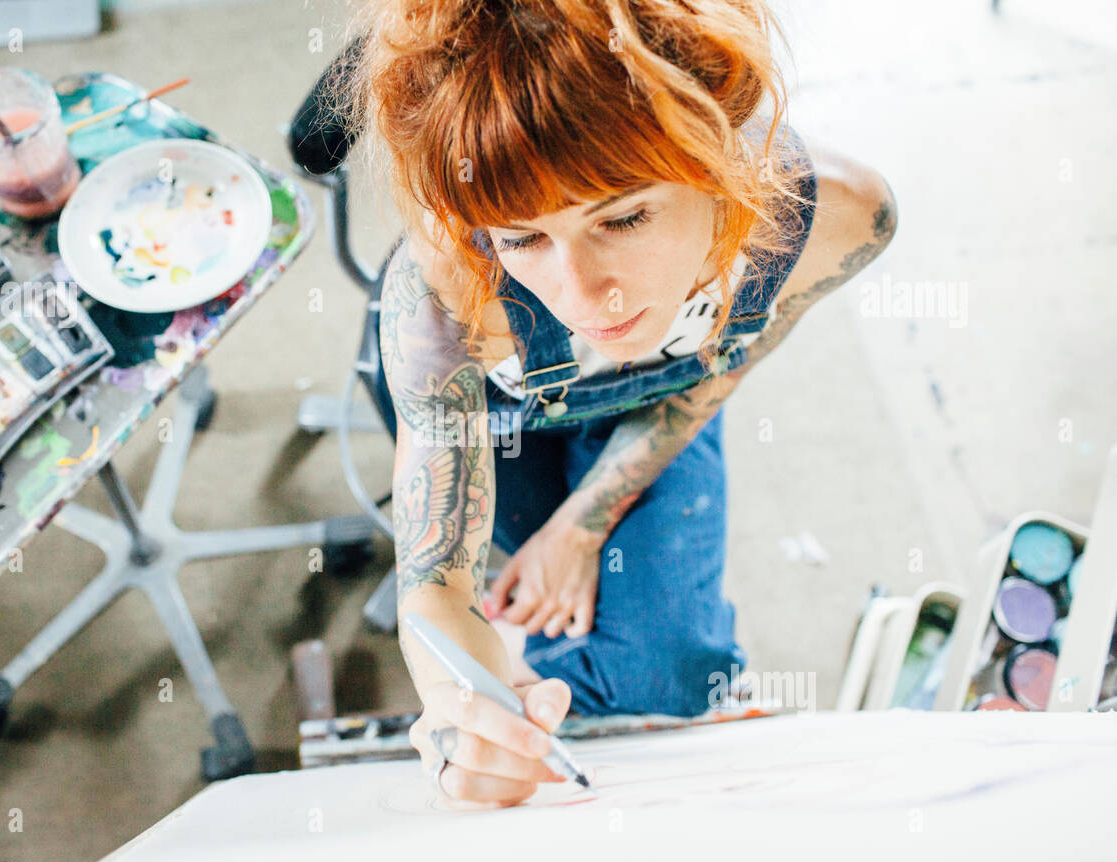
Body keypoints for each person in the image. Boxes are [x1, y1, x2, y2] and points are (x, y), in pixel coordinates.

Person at [338, 0, 898, 808]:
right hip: (501, 420)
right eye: (522, 237)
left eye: (626, 215)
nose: (584, 295)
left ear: (720, 161)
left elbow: (717, 375)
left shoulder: (836, 222)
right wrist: (463, 703)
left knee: (673, 677)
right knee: (543, 614)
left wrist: (582, 527)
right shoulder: (442, 301)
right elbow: (437, 585)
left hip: (668, 398)